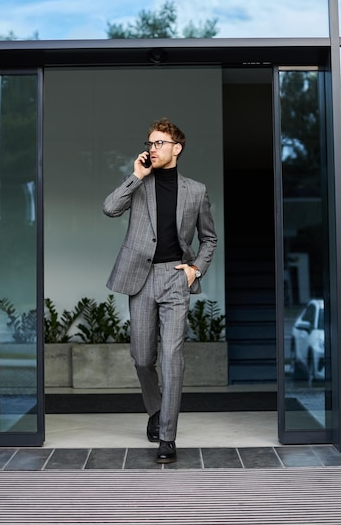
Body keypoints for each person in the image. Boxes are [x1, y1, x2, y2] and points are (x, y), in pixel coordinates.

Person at [103, 117, 217, 464]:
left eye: (159, 143)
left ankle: (167, 436)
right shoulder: (139, 183)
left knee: (171, 358)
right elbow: (110, 208)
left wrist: (195, 269)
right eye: (150, 143)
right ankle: (155, 409)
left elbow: (209, 238)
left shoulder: (195, 191)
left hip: (174, 278)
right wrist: (136, 175)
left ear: (176, 148)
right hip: (139, 278)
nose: (152, 148)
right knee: (142, 358)